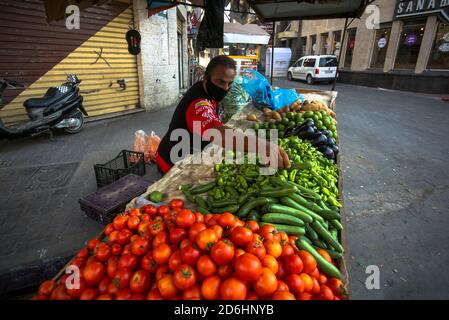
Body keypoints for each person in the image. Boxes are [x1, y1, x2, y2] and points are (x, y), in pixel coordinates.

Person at [155, 55, 290, 174]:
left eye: (229, 83)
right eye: (220, 81)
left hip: (190, 150)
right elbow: (218, 133)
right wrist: (264, 146)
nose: (225, 88)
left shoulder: (207, 90)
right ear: (206, 78)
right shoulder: (198, 103)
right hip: (172, 161)